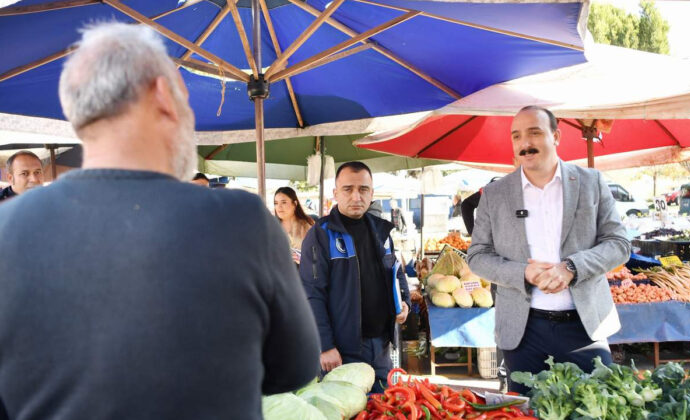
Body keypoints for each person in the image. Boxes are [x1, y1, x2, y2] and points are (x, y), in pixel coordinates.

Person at [0, 23, 319, 420]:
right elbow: (297, 368)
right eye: (188, 103)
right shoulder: (241, 221)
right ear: (165, 96)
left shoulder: (6, 230)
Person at [467, 105, 630, 394]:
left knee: (595, 410)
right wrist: (523, 273)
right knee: (526, 411)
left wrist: (572, 268)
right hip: (523, 331)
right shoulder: (494, 194)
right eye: (516, 137)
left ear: (556, 136)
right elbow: (477, 256)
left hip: (585, 327)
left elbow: (619, 244)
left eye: (534, 133)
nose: (525, 144)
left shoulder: (591, 182)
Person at [300, 161, 411, 393]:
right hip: (342, 351)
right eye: (348, 189)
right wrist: (325, 345)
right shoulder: (321, 235)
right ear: (336, 193)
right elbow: (311, 294)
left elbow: (396, 272)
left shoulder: (382, 231)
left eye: (363, 189)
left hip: (381, 346)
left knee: (383, 410)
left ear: (372, 193)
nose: (356, 196)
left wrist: (405, 304)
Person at [274, 186, 315, 263]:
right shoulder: (271, 226)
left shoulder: (307, 225)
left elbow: (318, 254)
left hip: (303, 272)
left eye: (284, 202)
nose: (279, 207)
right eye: (276, 203)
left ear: (295, 203)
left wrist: (300, 257)